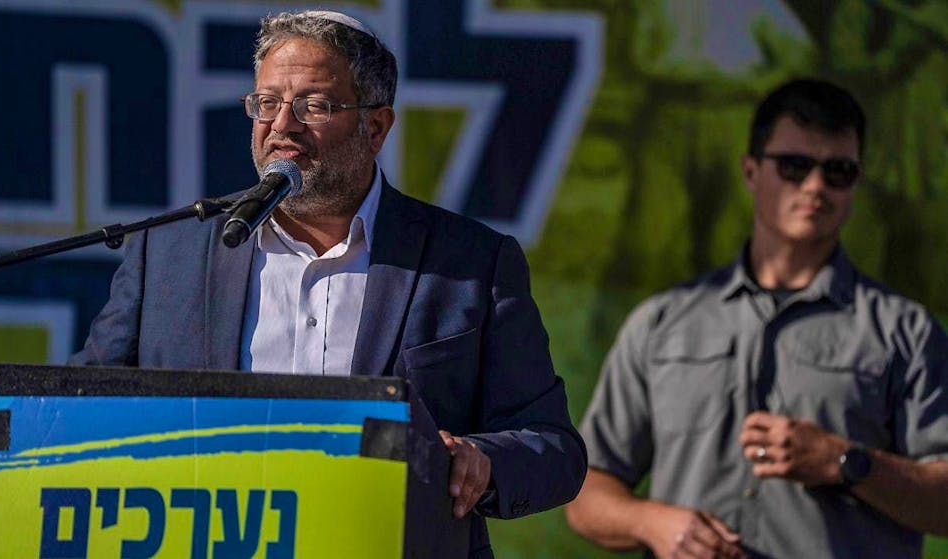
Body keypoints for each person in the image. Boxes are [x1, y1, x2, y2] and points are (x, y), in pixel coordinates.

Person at [69, 10, 586, 556]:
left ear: (376, 126)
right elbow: (80, 408)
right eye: (267, 103)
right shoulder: (168, 252)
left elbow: (552, 447)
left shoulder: (471, 263)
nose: (281, 126)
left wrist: (480, 461)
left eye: (313, 105)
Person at [566, 79, 948, 558]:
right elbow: (586, 490)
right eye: (794, 165)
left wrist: (846, 462)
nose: (815, 186)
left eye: (839, 171)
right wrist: (652, 523)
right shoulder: (661, 322)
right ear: (750, 171)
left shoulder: (906, 333)